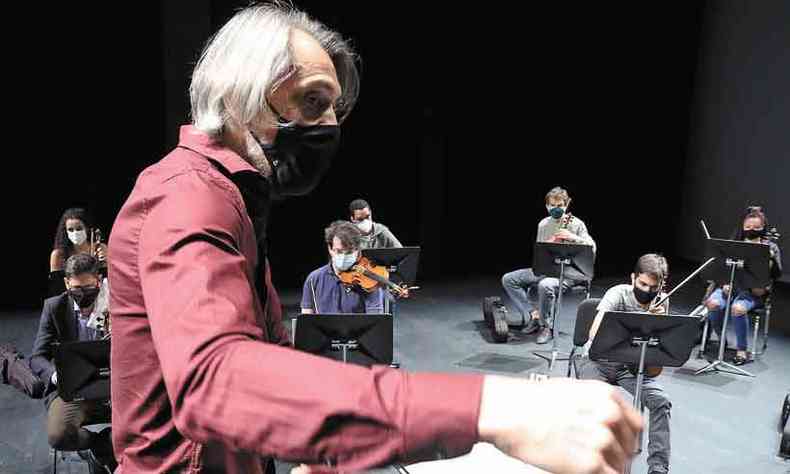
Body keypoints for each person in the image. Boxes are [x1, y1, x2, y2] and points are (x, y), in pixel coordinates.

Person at [107, 3, 641, 473]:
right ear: (241, 92)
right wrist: (491, 408)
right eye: (313, 102)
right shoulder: (187, 196)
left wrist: (321, 440)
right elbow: (214, 380)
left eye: (336, 109)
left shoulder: (236, 201)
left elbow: (253, 364)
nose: (331, 127)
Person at [579, 253, 672, 474]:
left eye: (653, 287)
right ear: (633, 278)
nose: (647, 291)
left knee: (661, 401)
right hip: (598, 360)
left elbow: (656, 358)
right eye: (643, 284)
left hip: (631, 367)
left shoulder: (662, 301)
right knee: (599, 403)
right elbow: (594, 333)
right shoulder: (617, 294)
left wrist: (656, 324)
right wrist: (637, 327)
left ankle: (658, 468)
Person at [30, 254, 115, 472]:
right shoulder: (54, 307)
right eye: (76, 288)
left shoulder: (115, 303)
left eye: (89, 287)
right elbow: (37, 358)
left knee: (144, 424)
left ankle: (110, 444)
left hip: (113, 385)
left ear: (99, 280)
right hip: (74, 388)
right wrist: (57, 375)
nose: (83, 294)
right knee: (58, 436)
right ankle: (97, 447)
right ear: (67, 283)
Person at [501, 186, 596, 343]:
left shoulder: (576, 224)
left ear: (566, 205)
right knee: (509, 279)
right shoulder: (543, 224)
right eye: (552, 205)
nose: (555, 208)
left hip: (569, 273)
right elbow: (541, 254)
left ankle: (547, 327)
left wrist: (572, 237)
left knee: (545, 285)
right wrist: (549, 245)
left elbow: (591, 248)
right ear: (547, 205)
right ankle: (534, 314)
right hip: (547, 269)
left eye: (559, 205)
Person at [704, 206, 783, 365]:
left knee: (738, 308)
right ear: (742, 227)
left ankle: (742, 349)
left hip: (753, 292)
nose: (751, 230)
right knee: (712, 303)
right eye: (748, 227)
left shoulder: (770, 247)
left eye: (756, 228)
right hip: (730, 287)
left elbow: (776, 274)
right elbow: (721, 268)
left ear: (763, 229)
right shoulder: (735, 244)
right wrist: (724, 283)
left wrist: (772, 259)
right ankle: (721, 339)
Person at [301, 220, 385, 314]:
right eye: (339, 251)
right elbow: (306, 321)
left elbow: (375, 321)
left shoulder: (370, 281)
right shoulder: (314, 279)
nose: (344, 257)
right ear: (330, 248)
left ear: (357, 250)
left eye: (349, 252)